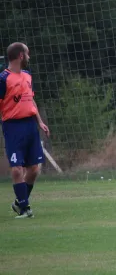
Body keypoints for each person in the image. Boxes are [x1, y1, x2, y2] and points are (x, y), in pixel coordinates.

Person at [0, 43, 50, 218]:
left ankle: (19, 202)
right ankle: (25, 208)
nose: (29, 57)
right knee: (16, 169)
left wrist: (40, 122)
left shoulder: (28, 76)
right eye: (27, 53)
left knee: (34, 169)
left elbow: (31, 101)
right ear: (20, 56)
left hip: (30, 125)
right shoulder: (3, 79)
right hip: (13, 126)